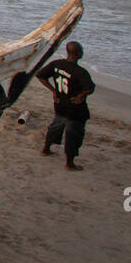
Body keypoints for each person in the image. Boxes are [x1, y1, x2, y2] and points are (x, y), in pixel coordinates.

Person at [35, 41, 95, 170]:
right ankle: (69, 163)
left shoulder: (57, 64)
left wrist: (54, 91)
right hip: (75, 108)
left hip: (60, 104)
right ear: (78, 54)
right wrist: (81, 96)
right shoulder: (80, 72)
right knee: (73, 134)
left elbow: (40, 75)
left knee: (56, 126)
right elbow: (90, 88)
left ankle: (45, 149)